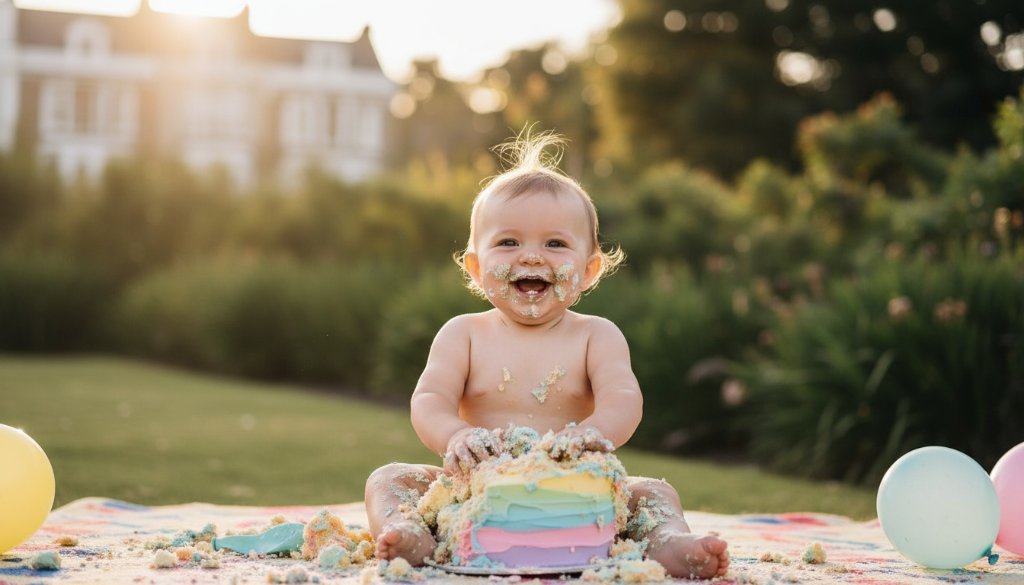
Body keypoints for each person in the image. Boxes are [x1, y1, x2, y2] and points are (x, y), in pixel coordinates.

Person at [363, 132, 729, 580]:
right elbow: (429, 400)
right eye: (509, 243)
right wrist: (455, 435)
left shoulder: (597, 335)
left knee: (654, 492)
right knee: (390, 478)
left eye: (555, 244)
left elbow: (624, 399)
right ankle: (409, 532)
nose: (532, 256)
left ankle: (670, 544)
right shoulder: (463, 334)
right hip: (472, 491)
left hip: (578, 489)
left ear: (590, 269)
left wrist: (592, 434)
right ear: (476, 268)